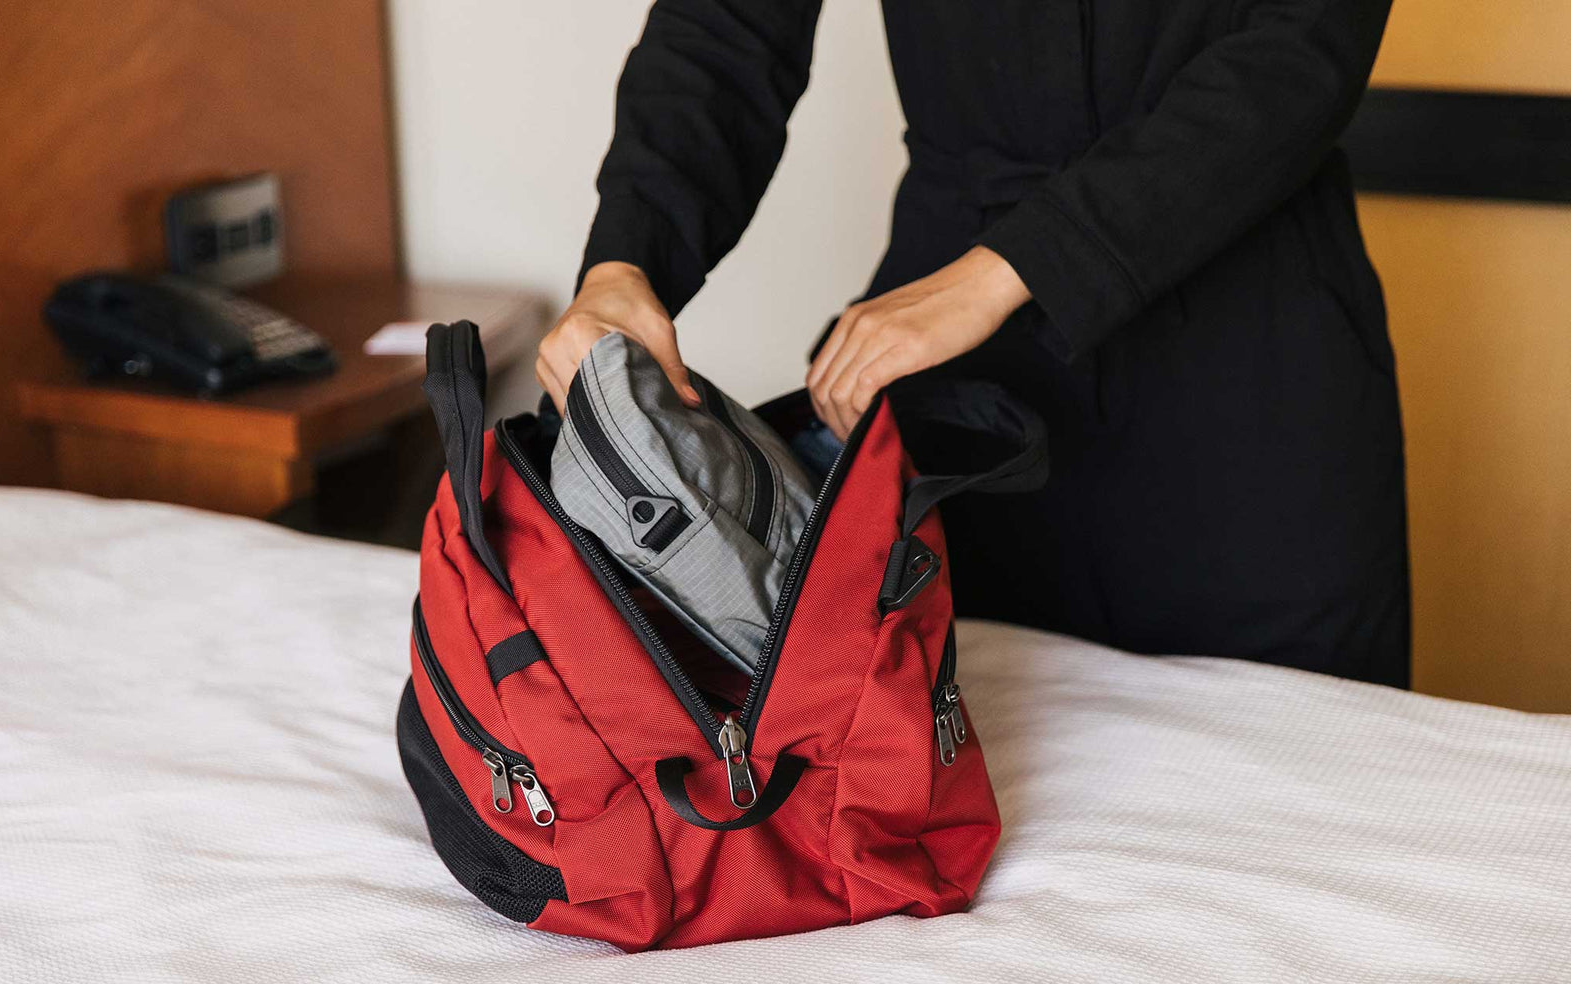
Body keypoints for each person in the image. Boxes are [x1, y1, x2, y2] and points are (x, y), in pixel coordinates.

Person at [534, 0, 1409, 687]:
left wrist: (1010, 269)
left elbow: (1304, 48)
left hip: (1255, 375)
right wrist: (626, 260)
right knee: (960, 802)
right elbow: (725, 31)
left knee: (1309, 810)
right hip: (968, 408)